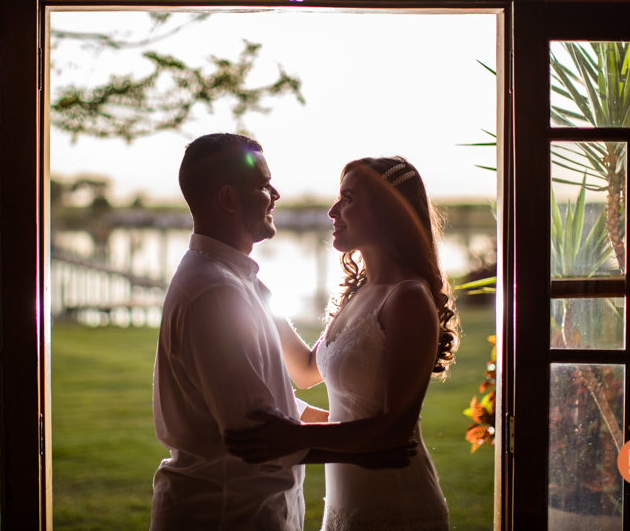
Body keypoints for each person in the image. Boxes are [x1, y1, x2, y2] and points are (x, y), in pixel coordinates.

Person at [151, 137, 415, 531]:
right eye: (263, 185)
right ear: (228, 199)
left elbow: (278, 396)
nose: (275, 194)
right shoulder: (216, 291)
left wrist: (353, 427)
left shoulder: (241, 282)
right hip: (227, 513)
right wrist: (365, 448)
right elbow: (257, 438)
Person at [225, 156, 460, 531]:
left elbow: (395, 430)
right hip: (345, 505)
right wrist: (254, 289)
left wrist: (292, 441)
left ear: (387, 211)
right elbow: (304, 371)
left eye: (347, 198)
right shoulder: (360, 294)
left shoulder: (408, 297)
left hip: (396, 506)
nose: (333, 210)